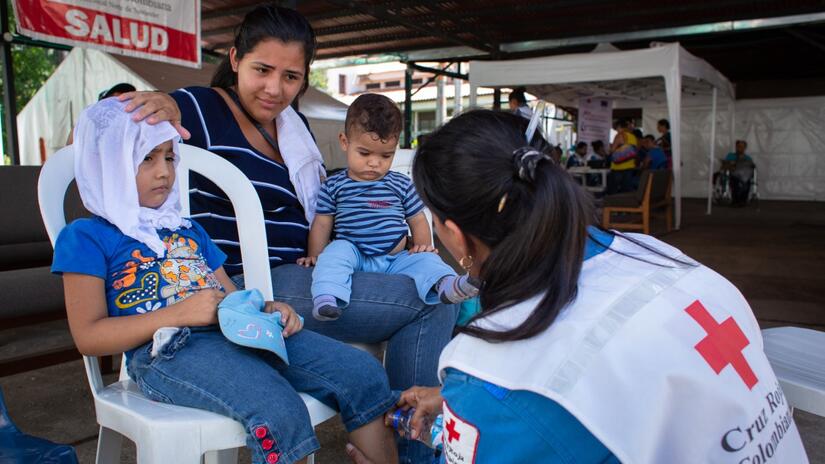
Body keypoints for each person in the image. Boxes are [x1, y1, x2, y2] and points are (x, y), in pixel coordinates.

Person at [346, 110, 808, 464]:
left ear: (453, 234)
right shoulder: (655, 254)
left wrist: (476, 403)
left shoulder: (497, 373)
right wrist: (458, 402)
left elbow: (540, 393)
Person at [117, 5, 456, 463]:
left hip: (301, 273)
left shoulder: (290, 129)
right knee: (432, 299)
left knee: (430, 285)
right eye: (262, 69)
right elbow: (157, 118)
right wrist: (163, 101)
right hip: (244, 285)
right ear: (235, 59)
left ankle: (400, 443)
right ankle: (412, 455)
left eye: (291, 76)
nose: (275, 88)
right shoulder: (202, 106)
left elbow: (325, 204)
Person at [53, 99, 399, 464]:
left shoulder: (187, 229)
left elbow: (231, 297)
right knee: (277, 404)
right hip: (169, 353)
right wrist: (180, 314)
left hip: (238, 331)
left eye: (170, 157)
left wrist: (267, 308)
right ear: (107, 165)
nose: (164, 173)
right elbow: (88, 337)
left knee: (363, 373)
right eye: (146, 158)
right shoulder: (87, 236)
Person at [297, 94, 478, 321]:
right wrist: (315, 255)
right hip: (355, 255)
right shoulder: (334, 185)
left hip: (396, 257)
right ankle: (327, 297)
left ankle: (447, 284)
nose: (375, 163)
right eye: (364, 153)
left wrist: (423, 246)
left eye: (386, 155)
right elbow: (322, 223)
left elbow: (417, 218)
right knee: (333, 254)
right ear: (344, 142)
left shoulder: (400, 183)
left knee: (428, 261)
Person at [607, 119, 638, 194]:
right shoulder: (633, 137)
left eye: (616, 128)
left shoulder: (619, 135)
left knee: (613, 190)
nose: (616, 130)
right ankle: (626, 205)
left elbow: (612, 150)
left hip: (618, 167)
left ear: (619, 126)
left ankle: (613, 205)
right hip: (630, 167)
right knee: (626, 190)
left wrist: (610, 149)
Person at [722, 139, 756, 206]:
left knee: (747, 182)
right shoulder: (730, 155)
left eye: (742, 147)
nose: (740, 148)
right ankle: (736, 201)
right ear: (736, 147)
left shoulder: (748, 158)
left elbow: (752, 168)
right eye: (738, 146)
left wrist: (752, 166)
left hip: (744, 176)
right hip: (733, 175)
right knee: (735, 181)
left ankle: (743, 201)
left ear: (745, 148)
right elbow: (725, 166)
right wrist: (731, 164)